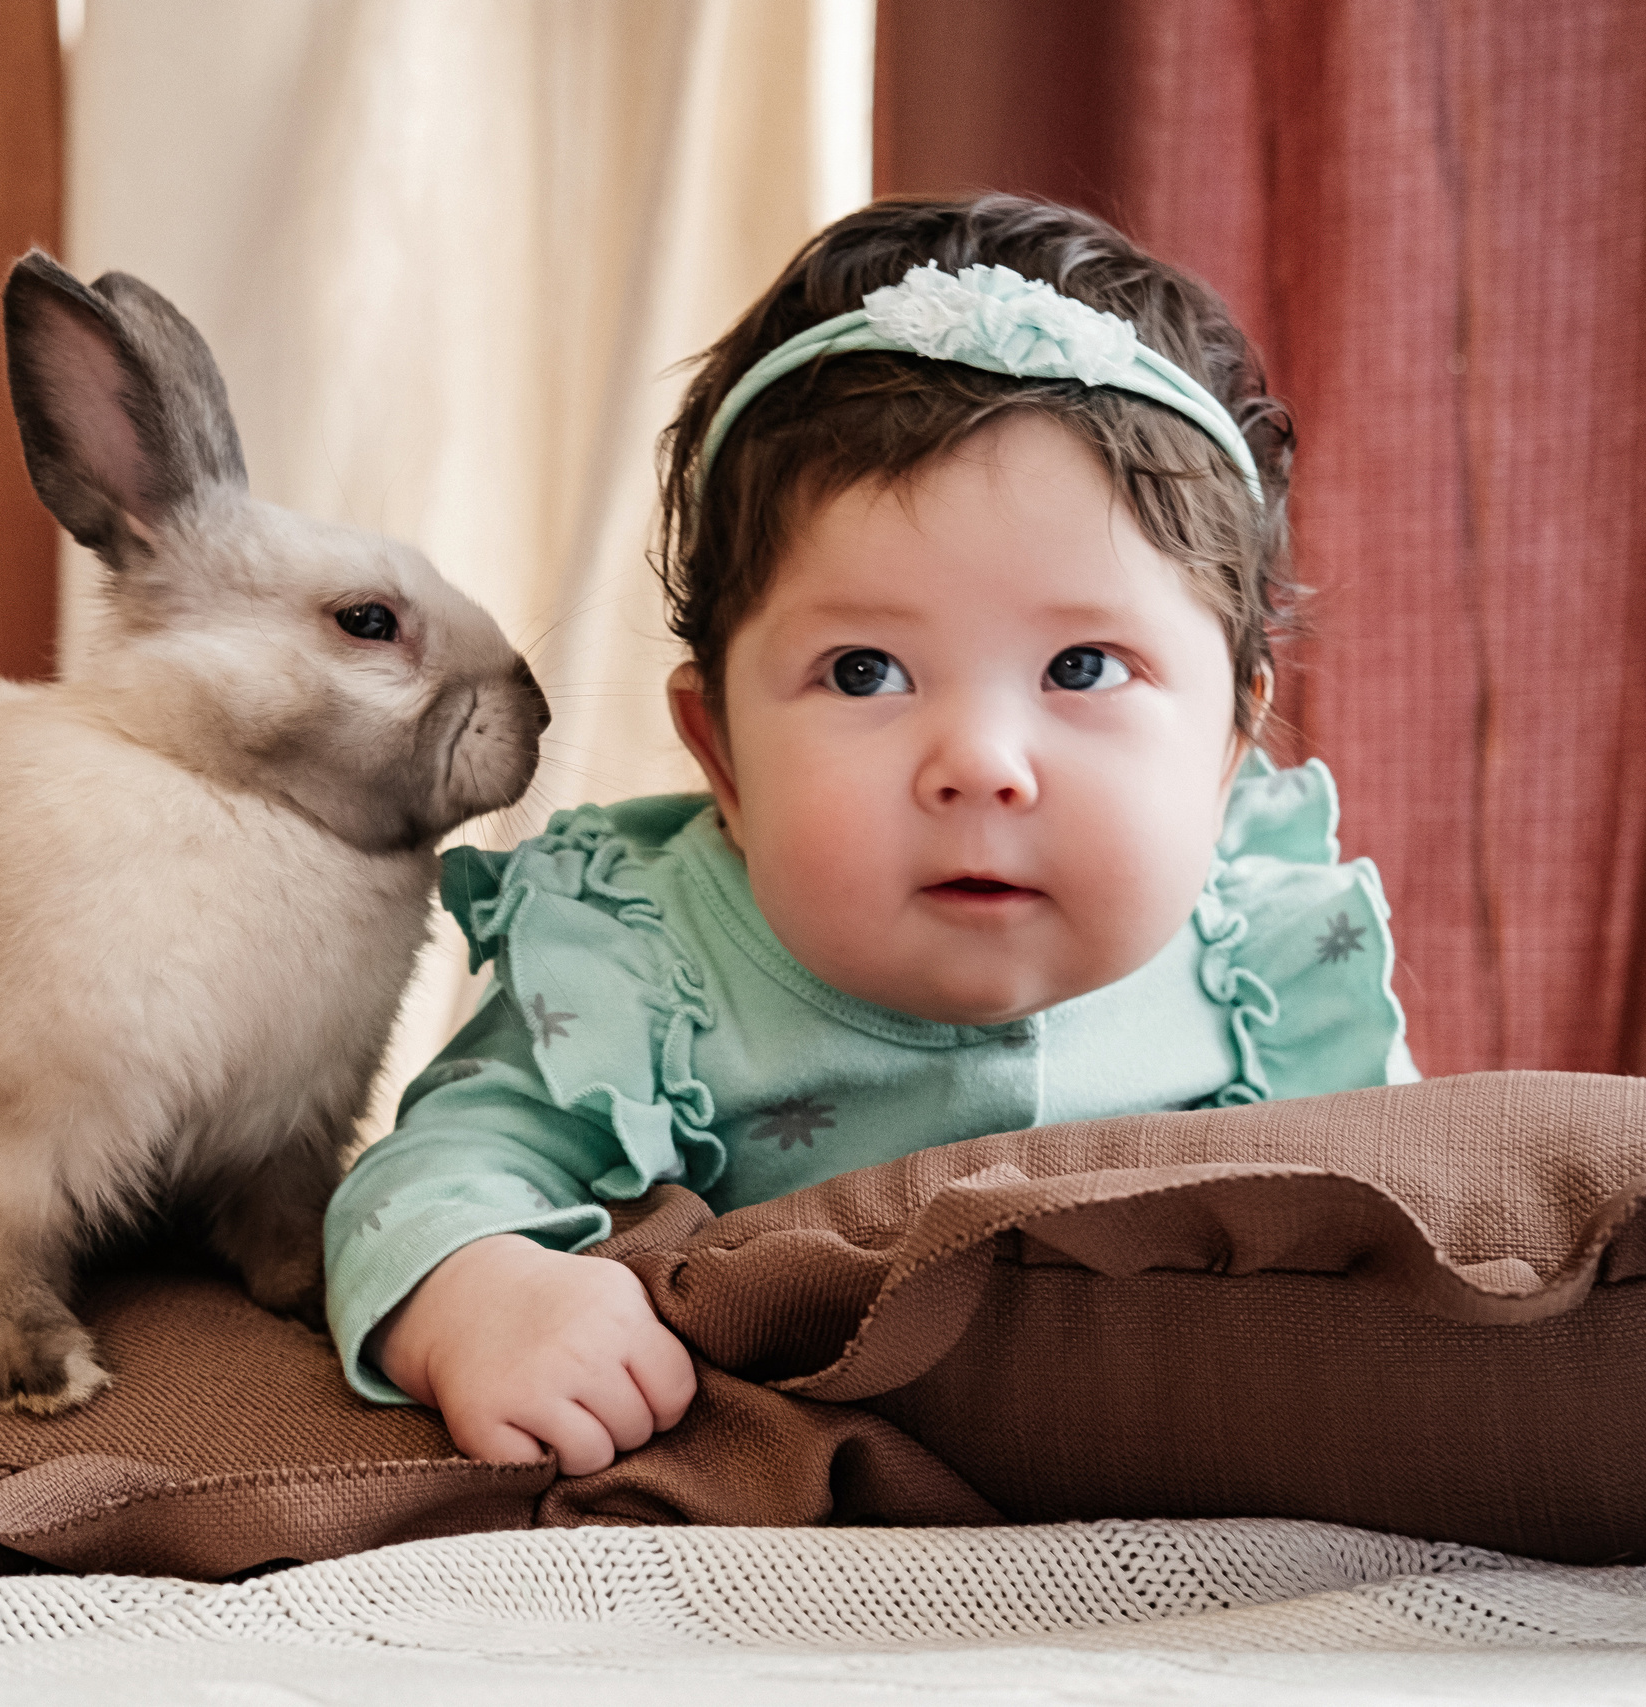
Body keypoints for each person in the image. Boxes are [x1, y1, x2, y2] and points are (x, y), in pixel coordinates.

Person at [323, 193, 1415, 1474]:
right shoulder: (643, 960)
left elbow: (1427, 1227)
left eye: (1081, 665)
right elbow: (426, 1178)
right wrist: (482, 1297)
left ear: (1230, 746)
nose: (979, 765)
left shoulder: (1271, 978)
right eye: (863, 674)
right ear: (719, 754)